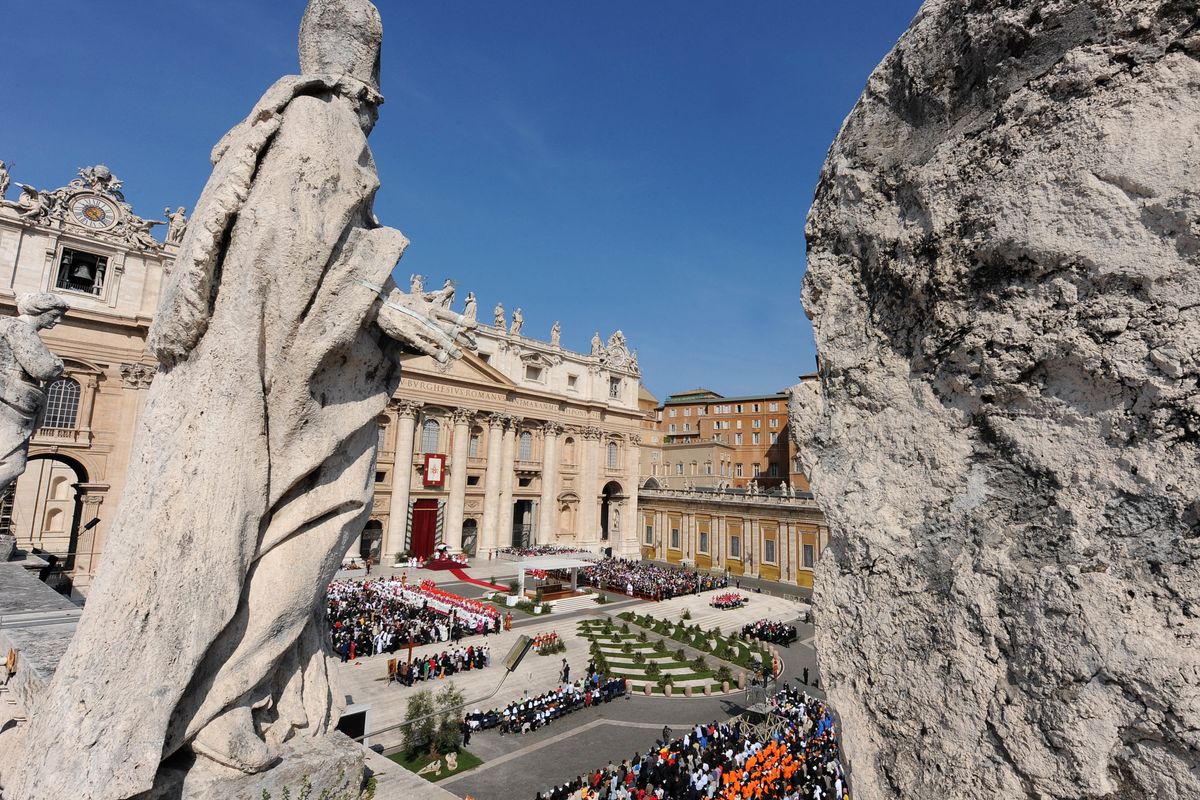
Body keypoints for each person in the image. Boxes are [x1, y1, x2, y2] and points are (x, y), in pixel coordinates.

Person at [8, 4, 479, 796]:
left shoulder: (276, 133)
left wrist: (374, 302)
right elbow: (289, 272)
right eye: (374, 93)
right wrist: (382, 303)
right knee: (288, 537)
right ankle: (220, 706)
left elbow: (288, 266)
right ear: (362, 82)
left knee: (261, 545)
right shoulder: (322, 135)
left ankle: (223, 702)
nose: (374, 110)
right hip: (260, 385)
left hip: (259, 378)